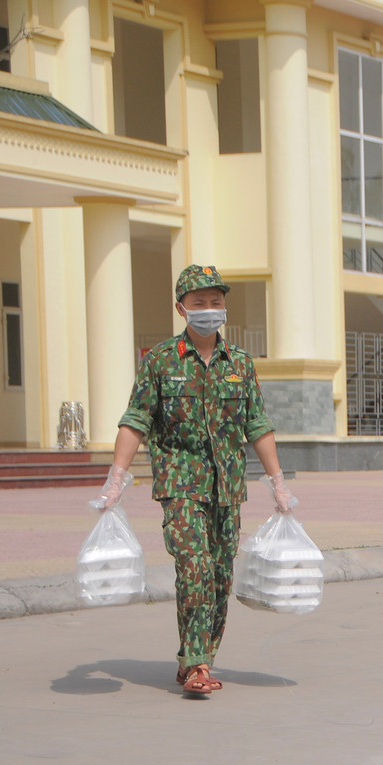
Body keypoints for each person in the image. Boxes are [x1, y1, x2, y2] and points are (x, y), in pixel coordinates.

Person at [96, 264, 294, 696]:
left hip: (227, 489)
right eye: (199, 303)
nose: (209, 309)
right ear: (181, 308)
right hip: (181, 485)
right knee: (193, 567)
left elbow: (257, 424)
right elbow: (136, 421)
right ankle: (196, 665)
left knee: (219, 576)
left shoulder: (240, 363)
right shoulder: (161, 361)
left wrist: (278, 482)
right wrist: (116, 477)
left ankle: (199, 655)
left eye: (216, 302)